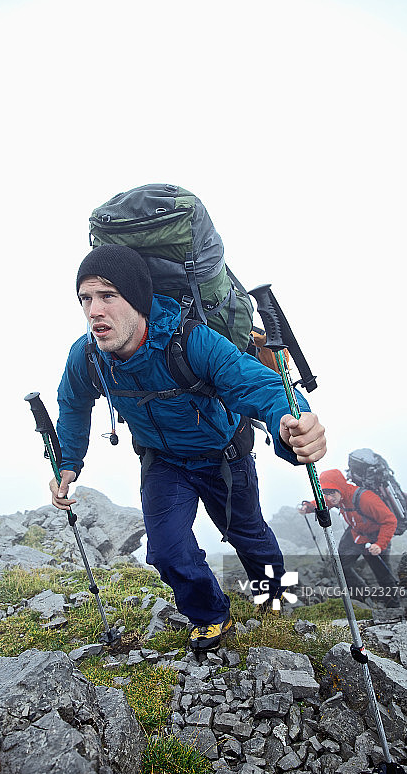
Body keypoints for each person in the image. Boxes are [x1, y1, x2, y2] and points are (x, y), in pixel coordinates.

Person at [51, 244, 327, 650]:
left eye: (108, 295)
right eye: (86, 299)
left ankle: (273, 595)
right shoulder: (88, 356)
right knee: (165, 551)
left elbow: (260, 385)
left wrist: (291, 423)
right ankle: (210, 614)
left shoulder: (191, 341)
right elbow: (72, 405)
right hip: (162, 463)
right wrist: (67, 462)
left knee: (248, 536)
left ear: (138, 299)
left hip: (223, 459)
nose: (94, 310)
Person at [299, 469, 400, 606]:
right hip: (356, 533)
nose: (329, 498)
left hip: (376, 537)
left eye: (332, 492)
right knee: (339, 564)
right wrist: (309, 507)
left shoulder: (366, 499)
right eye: (325, 493)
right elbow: (325, 502)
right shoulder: (337, 497)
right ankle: (362, 596)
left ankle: (394, 607)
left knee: (382, 573)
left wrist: (380, 544)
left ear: (340, 487)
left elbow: (390, 521)